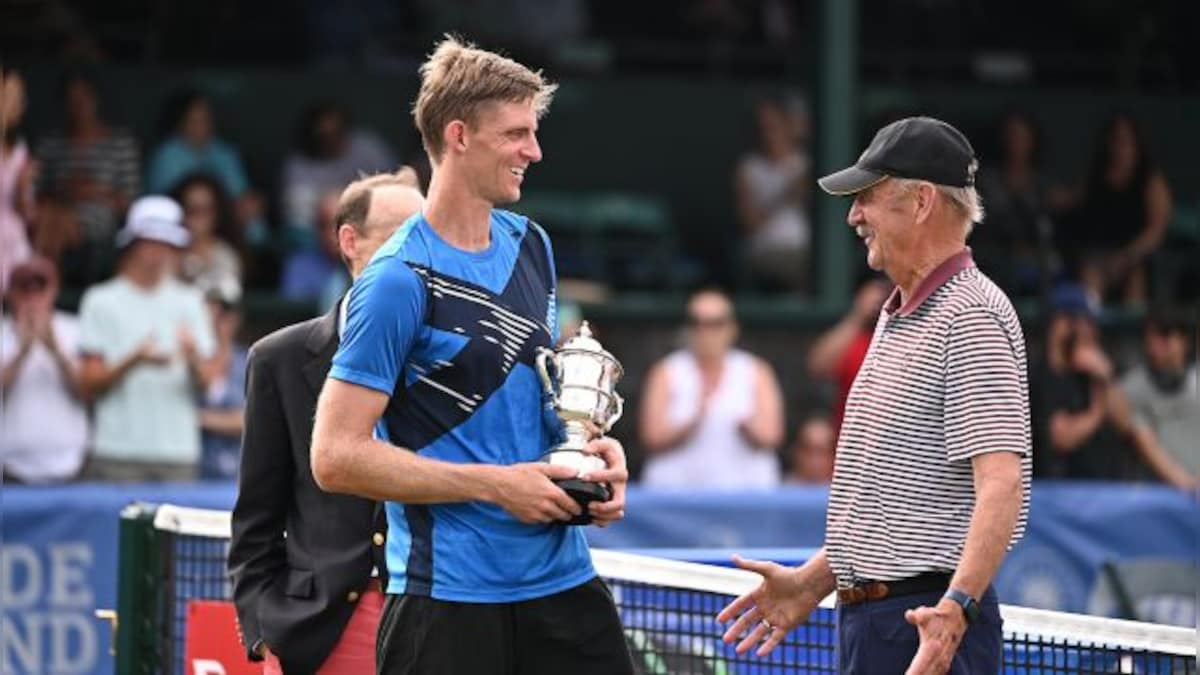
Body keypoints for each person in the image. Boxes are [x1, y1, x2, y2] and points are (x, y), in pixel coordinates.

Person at [310, 37, 633, 675]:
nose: (533, 152)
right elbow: (335, 457)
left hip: (563, 586)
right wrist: (497, 488)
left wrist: (592, 454)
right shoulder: (397, 278)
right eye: (516, 134)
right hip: (446, 606)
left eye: (533, 133)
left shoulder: (532, 244)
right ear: (458, 136)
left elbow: (535, 398)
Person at [719, 117, 1031, 674]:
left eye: (868, 198)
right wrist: (812, 583)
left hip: (925, 627)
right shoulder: (896, 312)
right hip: (878, 625)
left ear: (921, 203)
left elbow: (1002, 483)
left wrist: (955, 608)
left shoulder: (973, 315)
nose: (853, 216)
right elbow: (889, 503)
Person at [229, 169, 425, 674]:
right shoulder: (279, 359)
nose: (416, 253)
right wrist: (262, 636)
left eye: (425, 236)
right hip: (321, 634)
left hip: (435, 621)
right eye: (399, 236)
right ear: (349, 241)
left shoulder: (453, 357)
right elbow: (255, 523)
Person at [77, 195, 219, 482]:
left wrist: (192, 356)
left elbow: (207, 381)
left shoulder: (190, 301)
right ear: (132, 244)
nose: (159, 252)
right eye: (151, 242)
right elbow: (89, 382)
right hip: (117, 452)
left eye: (167, 244)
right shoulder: (100, 301)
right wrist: (134, 360)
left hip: (177, 453)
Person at [639, 287, 785, 489]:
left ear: (732, 327)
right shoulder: (665, 371)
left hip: (745, 497)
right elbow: (651, 437)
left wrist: (749, 427)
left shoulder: (757, 371)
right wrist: (692, 422)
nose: (704, 332)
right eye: (695, 322)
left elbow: (772, 436)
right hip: (674, 498)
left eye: (715, 323)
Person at [35, 72, 140, 285]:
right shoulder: (51, 143)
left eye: (84, 97)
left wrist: (93, 192)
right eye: (72, 100)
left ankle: (45, 285)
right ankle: (48, 285)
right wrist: (67, 192)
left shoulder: (120, 143)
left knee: (55, 221)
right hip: (54, 211)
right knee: (50, 215)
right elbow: (37, 193)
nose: (79, 105)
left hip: (100, 217)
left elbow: (129, 203)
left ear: (96, 99)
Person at [1058, 113, 1172, 307]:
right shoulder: (1094, 177)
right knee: (1089, 274)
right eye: (1115, 141)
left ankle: (1132, 334)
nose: (1119, 148)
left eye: (1126, 142)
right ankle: (1092, 330)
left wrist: (1127, 257)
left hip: (1135, 258)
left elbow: (1157, 231)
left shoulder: (1150, 180)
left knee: (1136, 278)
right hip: (1096, 258)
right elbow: (1072, 202)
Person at [1030, 284, 1138, 480]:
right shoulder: (1039, 375)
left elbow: (1126, 424)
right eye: (1077, 321)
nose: (1085, 330)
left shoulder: (1095, 371)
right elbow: (1061, 437)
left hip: (1104, 488)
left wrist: (1106, 377)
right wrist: (1097, 412)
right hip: (1057, 494)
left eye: (1089, 323)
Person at [1, 257, 89, 484]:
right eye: (24, 290)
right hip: (11, 466)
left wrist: (54, 349)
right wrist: (22, 351)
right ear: (10, 293)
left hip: (71, 463)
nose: (32, 298)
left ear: (53, 291)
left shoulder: (76, 329)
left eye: (40, 289)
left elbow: (86, 391)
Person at [279, 100, 396, 243]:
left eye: (336, 132)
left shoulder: (367, 147)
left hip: (371, 226)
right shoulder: (298, 165)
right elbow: (299, 220)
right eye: (324, 135)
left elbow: (393, 187)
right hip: (319, 238)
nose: (331, 139)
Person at [734, 97, 811, 292]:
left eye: (774, 126)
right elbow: (749, 224)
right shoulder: (749, 168)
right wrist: (786, 195)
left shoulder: (805, 164)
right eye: (763, 128)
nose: (769, 134)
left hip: (805, 249)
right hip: (764, 250)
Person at [1120, 308, 1198, 490]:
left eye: (1165, 336)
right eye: (1151, 338)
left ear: (1183, 341)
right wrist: (1188, 484)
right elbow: (1144, 441)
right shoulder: (1131, 387)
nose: (1156, 346)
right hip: (1156, 500)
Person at [805, 273, 889, 437]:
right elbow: (817, 366)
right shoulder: (855, 339)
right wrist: (858, 315)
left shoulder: (911, 335)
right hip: (851, 442)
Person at [196, 277, 248, 481]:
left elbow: (250, 421)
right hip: (188, 475)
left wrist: (198, 419)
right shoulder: (186, 359)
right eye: (210, 311)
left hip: (234, 477)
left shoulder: (251, 361)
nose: (217, 319)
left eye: (225, 312)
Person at [171, 172, 243, 294]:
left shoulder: (225, 256)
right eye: (190, 210)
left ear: (216, 215)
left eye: (203, 211)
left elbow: (225, 302)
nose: (195, 218)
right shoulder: (164, 253)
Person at [1, 67, 36, 290]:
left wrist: (24, 186)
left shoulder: (20, 150)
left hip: (12, 241)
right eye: (10, 96)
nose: (17, 104)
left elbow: (27, 214)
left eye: (19, 98)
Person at [785, 416, 835, 484]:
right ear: (796, 452)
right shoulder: (778, 490)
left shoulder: (843, 492)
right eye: (808, 450)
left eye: (822, 451)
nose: (815, 460)